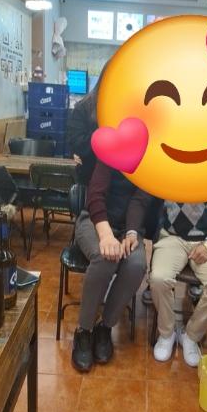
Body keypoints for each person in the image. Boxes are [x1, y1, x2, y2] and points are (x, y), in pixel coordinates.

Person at [129, 193, 207, 367]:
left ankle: (191, 336)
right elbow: (142, 198)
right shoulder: (168, 173)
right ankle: (167, 333)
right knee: (158, 279)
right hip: (172, 238)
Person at [71, 159, 148, 373]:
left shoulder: (149, 163)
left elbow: (140, 200)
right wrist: (106, 235)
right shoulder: (110, 155)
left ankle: (105, 327)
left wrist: (131, 233)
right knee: (105, 258)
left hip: (128, 229)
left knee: (136, 264)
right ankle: (84, 330)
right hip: (94, 222)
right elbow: (95, 196)